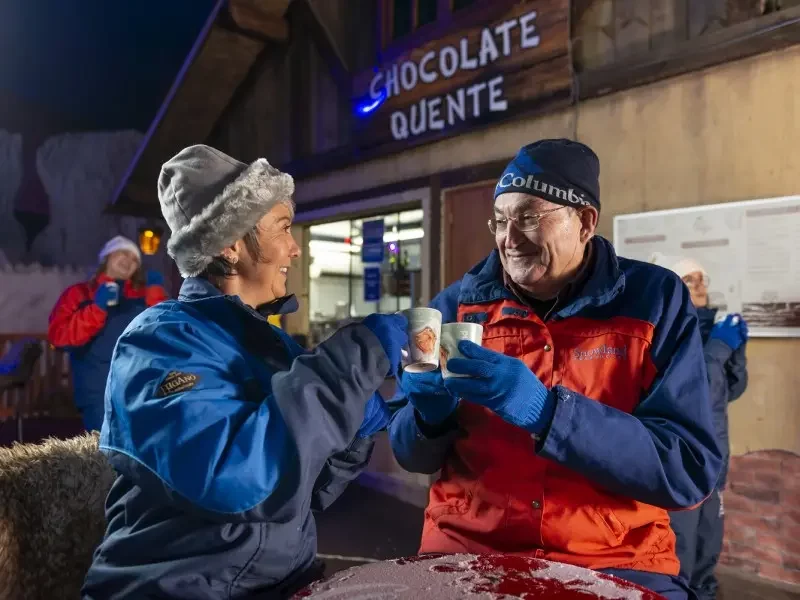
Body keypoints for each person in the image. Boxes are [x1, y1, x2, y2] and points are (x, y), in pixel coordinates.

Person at [389, 139, 722, 600]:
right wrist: (426, 417)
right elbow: (411, 456)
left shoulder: (654, 301)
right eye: (501, 221)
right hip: (467, 551)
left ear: (585, 221)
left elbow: (689, 469)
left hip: (614, 557)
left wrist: (548, 413)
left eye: (528, 217)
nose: (509, 238)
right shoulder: (455, 308)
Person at [82, 145, 408, 600]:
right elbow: (237, 481)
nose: (296, 249)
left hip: (274, 585)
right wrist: (354, 358)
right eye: (284, 229)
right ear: (231, 245)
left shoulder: (270, 345)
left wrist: (356, 426)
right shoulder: (159, 342)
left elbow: (304, 496)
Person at [650, 254, 748, 600]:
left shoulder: (711, 329)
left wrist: (737, 355)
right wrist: (720, 349)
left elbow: (729, 392)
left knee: (709, 544)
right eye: (691, 280)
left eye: (702, 278)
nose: (702, 286)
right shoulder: (668, 331)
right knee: (682, 551)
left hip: (715, 455)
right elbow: (693, 393)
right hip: (683, 460)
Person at [48, 236, 168, 431]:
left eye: (135, 259)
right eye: (123, 252)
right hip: (98, 394)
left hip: (142, 392)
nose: (129, 259)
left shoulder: (141, 297)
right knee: (107, 457)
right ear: (106, 257)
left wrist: (156, 296)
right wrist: (97, 308)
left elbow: (164, 335)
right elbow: (60, 338)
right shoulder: (79, 294)